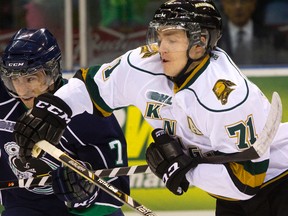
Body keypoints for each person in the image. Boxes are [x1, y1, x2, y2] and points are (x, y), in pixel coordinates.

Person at [10, 0, 288, 215]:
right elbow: (91, 85)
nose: (162, 47)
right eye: (160, 36)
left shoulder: (225, 96)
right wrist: (54, 109)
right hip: (232, 197)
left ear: (200, 43)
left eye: (173, 39)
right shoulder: (145, 64)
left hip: (278, 181)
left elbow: (246, 182)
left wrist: (182, 168)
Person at [0, 28, 129, 216]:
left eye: (31, 78)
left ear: (52, 72)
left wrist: (86, 196)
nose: (22, 90)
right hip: (27, 208)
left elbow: (115, 193)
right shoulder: (4, 100)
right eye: (14, 80)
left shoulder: (88, 110)